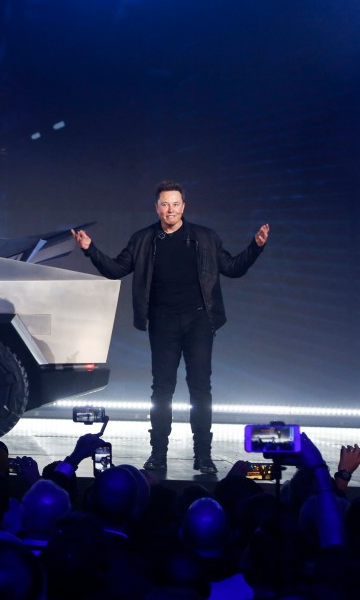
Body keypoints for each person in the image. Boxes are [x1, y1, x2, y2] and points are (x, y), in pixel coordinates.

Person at [72, 181, 269, 473]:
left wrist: (256, 247)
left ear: (184, 207)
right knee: (162, 390)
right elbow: (115, 270)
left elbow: (233, 268)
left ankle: (203, 455)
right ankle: (158, 454)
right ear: (157, 207)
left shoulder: (205, 237)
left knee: (201, 389)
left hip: (200, 321)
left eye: (175, 204)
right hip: (163, 323)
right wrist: (90, 249)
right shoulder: (143, 239)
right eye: (165, 204)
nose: (170, 210)